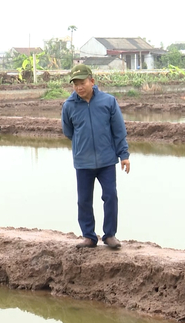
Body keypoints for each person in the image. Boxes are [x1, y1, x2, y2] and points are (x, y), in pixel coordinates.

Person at [62, 64, 130, 249]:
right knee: (83, 200)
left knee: (110, 196)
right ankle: (89, 236)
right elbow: (68, 131)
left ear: (92, 81)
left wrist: (123, 155)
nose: (79, 87)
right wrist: (81, 145)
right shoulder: (69, 106)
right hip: (83, 162)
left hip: (107, 160)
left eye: (82, 82)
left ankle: (110, 235)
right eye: (75, 84)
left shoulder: (108, 102)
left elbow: (119, 131)